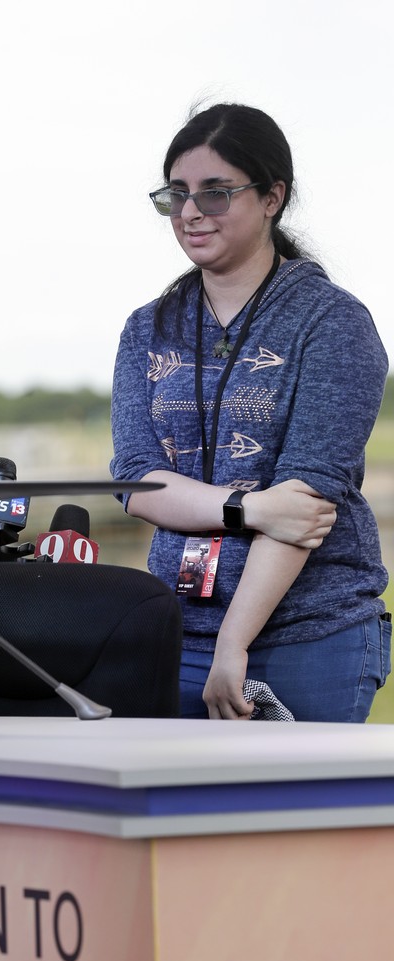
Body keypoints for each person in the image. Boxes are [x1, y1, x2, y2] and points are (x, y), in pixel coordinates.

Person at [110, 102, 391, 721]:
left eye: (215, 193)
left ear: (272, 198)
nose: (190, 212)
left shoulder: (332, 322)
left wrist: (233, 646)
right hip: (175, 631)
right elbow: (133, 479)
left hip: (308, 637)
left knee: (297, 819)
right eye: (176, 194)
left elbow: (308, 504)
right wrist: (248, 506)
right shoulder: (146, 328)